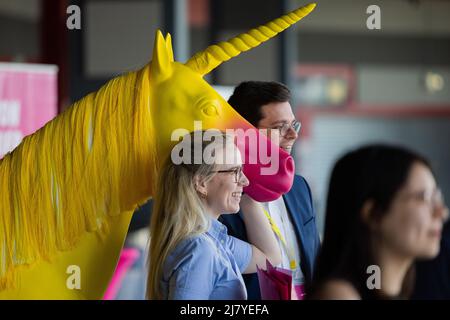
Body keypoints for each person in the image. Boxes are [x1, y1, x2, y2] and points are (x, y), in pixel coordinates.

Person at [146, 131, 281, 300]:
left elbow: (270, 258)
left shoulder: (215, 240)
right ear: (201, 183)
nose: (245, 181)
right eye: (235, 171)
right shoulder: (200, 249)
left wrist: (247, 198)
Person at [220, 81, 321, 300]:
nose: (293, 135)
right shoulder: (219, 192)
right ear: (245, 134)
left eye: (294, 125)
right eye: (279, 127)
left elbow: (315, 257)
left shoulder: (299, 187)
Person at [309, 145, 449, 299]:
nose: (442, 213)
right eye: (425, 198)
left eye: (437, 197)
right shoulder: (340, 295)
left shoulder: (383, 289)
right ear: (373, 214)